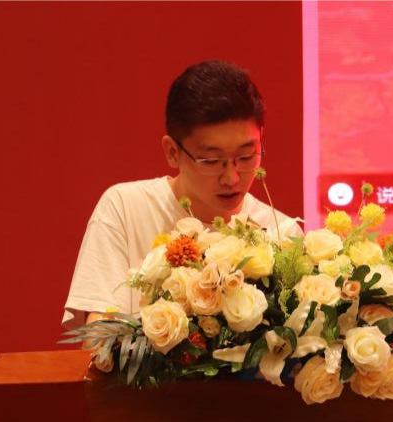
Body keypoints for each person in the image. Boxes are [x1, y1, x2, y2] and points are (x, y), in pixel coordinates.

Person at [62, 61, 303, 330]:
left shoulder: (283, 234)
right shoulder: (125, 208)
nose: (232, 177)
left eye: (246, 156)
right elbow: (98, 335)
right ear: (172, 152)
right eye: (211, 161)